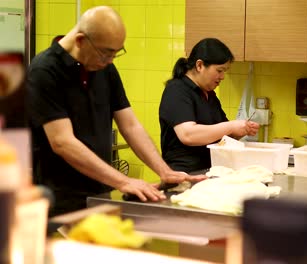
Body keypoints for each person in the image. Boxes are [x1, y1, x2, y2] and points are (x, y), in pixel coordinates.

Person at [26, 6, 206, 216]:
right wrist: (124, 181)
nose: (110, 60)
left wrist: (164, 171)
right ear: (80, 41)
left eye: (115, 53)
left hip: (99, 192)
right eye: (106, 53)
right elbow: (62, 142)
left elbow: (130, 125)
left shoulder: (103, 68)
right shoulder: (44, 71)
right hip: (59, 199)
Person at [159, 38, 260, 173]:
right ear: (199, 65)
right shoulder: (177, 90)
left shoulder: (209, 95)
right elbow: (188, 134)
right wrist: (231, 126)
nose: (223, 76)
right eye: (219, 70)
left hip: (209, 172)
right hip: (183, 175)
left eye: (225, 71)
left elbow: (221, 138)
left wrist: (240, 130)